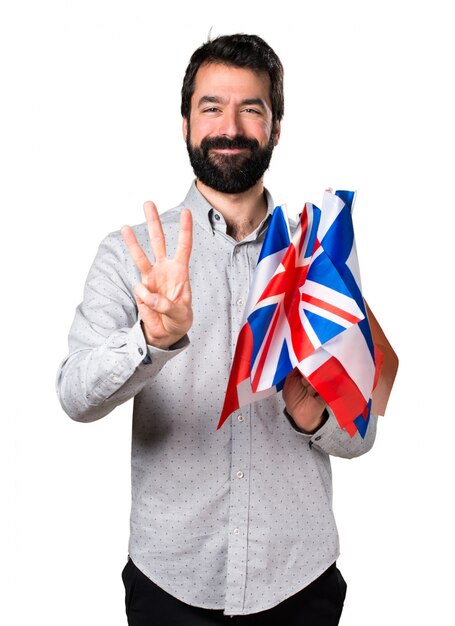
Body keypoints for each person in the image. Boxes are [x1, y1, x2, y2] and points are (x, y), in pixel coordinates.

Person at [57, 33, 378, 626]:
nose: (229, 126)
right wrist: (150, 343)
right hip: (169, 580)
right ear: (185, 123)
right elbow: (74, 396)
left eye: (250, 109)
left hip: (299, 582)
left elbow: (363, 435)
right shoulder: (130, 256)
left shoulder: (320, 255)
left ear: (275, 127)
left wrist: (315, 416)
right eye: (211, 107)